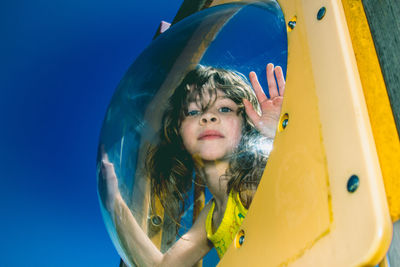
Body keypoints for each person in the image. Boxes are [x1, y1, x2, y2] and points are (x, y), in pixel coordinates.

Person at [99, 63, 285, 266]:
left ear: (246, 123)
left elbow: (301, 190)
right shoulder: (210, 217)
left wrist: (280, 137)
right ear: (178, 130)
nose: (208, 116)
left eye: (224, 109)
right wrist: (115, 202)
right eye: (194, 112)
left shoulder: (253, 185)